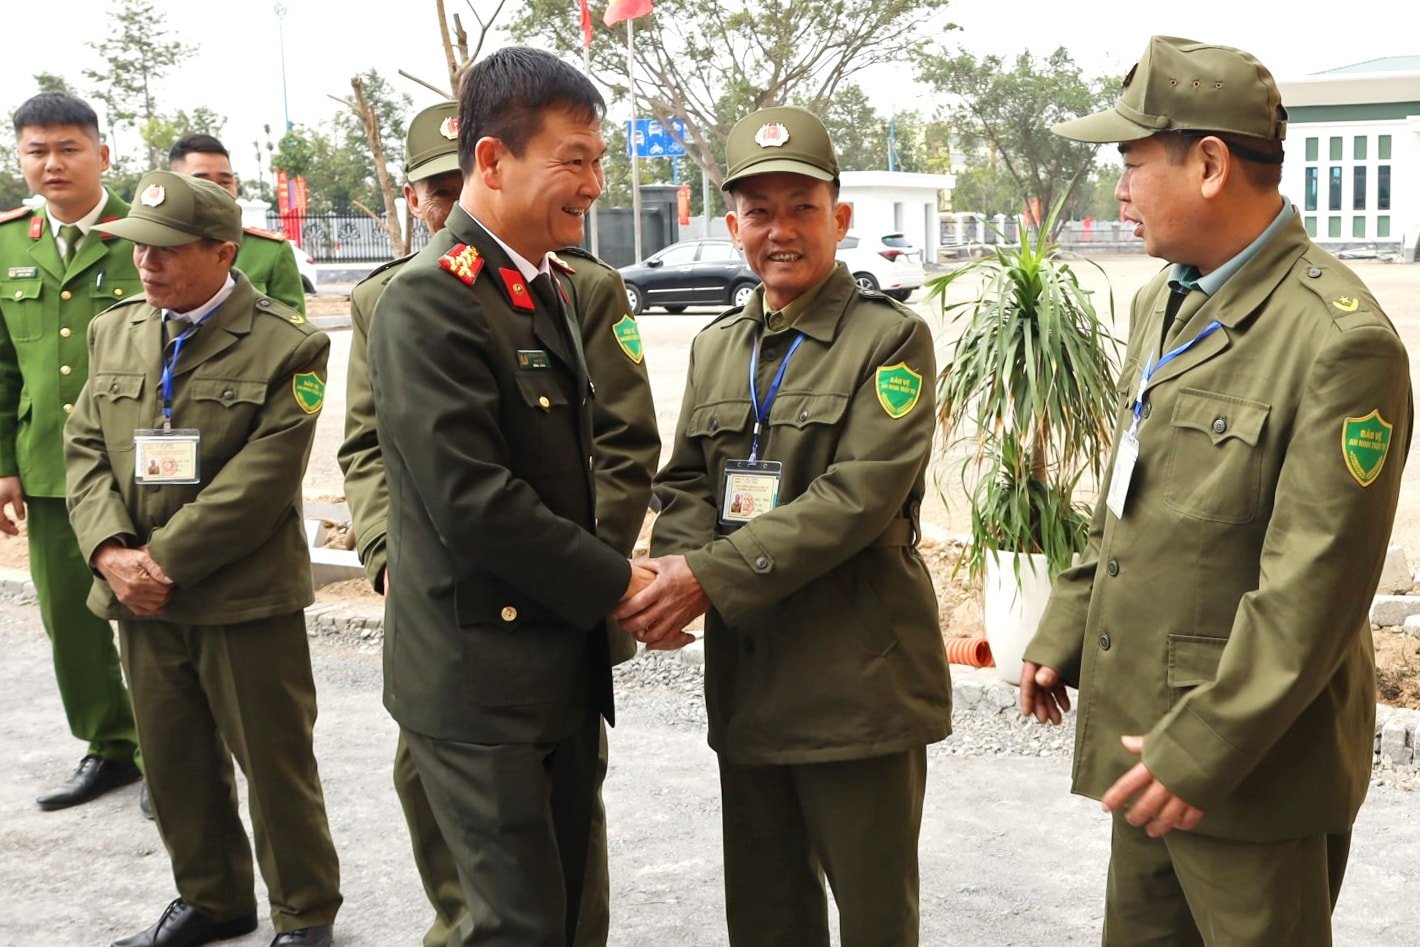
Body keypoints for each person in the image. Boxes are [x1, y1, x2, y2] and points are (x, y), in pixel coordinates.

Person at [1020, 36, 1413, 946]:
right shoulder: (1166, 299)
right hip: (1150, 743)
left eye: (1130, 160)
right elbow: (1133, 486)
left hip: (1250, 767)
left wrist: (1201, 748)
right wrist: (1067, 621)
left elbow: (1313, 588)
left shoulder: (1338, 341)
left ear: (1207, 164)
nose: (1117, 187)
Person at [614, 105, 951, 947]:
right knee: (766, 915)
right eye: (759, 211)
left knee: (874, 916)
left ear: (839, 217)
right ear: (733, 226)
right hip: (753, 675)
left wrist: (710, 578)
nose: (781, 230)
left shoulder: (891, 340)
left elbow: (858, 499)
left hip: (858, 680)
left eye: (802, 207)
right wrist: (674, 571)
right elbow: (687, 476)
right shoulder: (719, 344)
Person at [337, 100, 657, 947]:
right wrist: (622, 581)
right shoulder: (427, 301)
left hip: (555, 657)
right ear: (494, 158)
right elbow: (474, 498)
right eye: (575, 160)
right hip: (481, 675)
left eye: (598, 161)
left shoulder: (542, 284)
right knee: (508, 924)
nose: (594, 185)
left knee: (563, 908)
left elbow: (602, 457)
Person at [65, 170, 342, 947]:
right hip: (139, 596)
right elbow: (84, 446)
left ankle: (303, 910)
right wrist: (111, 549)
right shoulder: (115, 330)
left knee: (274, 763)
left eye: (165, 251)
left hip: (242, 595)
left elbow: (261, 482)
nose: (145, 265)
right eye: (138, 250)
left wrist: (162, 561)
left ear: (224, 253)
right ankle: (213, 897)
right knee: (174, 759)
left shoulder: (290, 344)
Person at [0, 92, 143, 812]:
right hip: (50, 467)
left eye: (67, 148)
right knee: (69, 621)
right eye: (36, 150)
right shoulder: (6, 245)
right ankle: (112, 746)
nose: (52, 163)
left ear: (101, 155)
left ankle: (182, 748)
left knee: (158, 615)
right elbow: (0, 364)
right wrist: (3, 463)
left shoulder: (145, 233)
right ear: (20, 159)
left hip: (142, 468)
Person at [167, 134, 307, 314]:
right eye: (202, 182)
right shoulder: (150, 252)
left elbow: (293, 332)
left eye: (225, 182)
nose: (217, 191)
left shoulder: (270, 252)